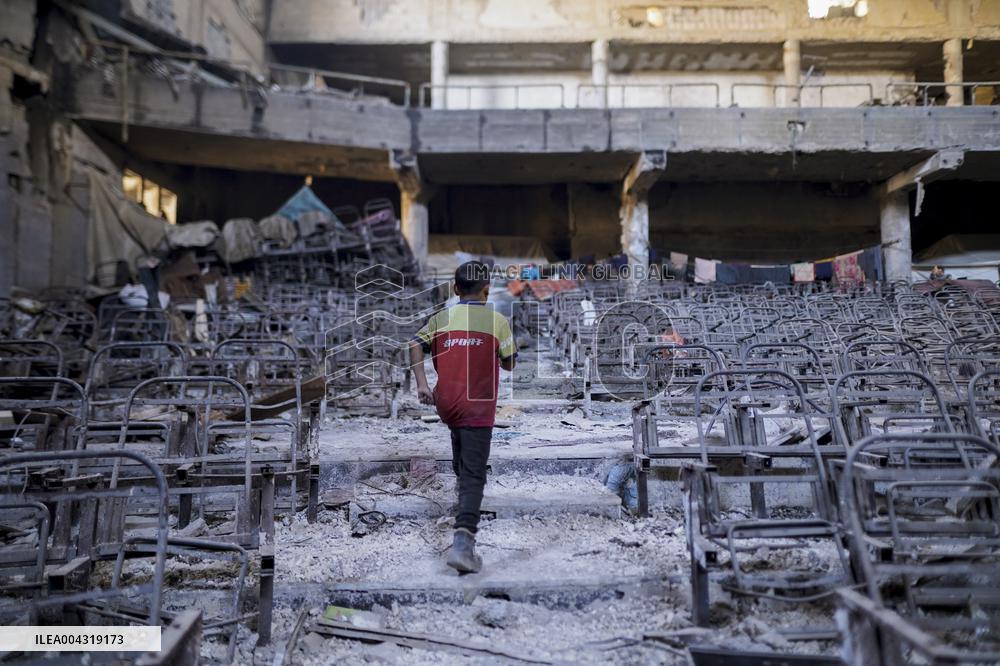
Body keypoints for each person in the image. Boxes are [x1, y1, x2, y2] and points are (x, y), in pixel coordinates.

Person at [409, 261, 517, 574]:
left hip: (446, 403)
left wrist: (422, 384)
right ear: (487, 290)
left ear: (455, 289)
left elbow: (414, 344)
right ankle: (463, 544)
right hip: (477, 406)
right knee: (474, 474)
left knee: (461, 451)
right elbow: (509, 363)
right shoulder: (497, 321)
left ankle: (463, 499)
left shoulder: (440, 318)